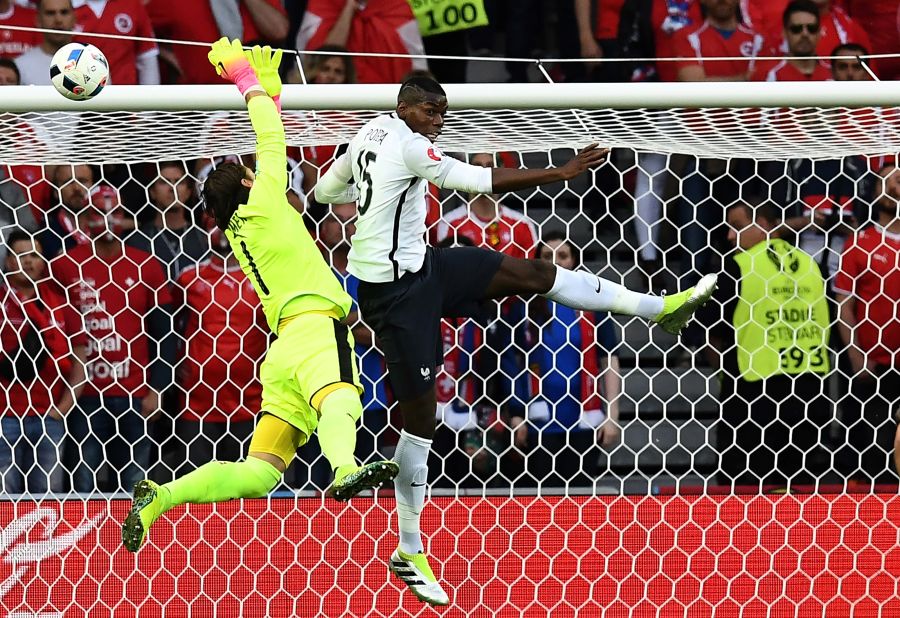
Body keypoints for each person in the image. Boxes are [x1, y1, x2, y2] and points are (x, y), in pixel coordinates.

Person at [315, 74, 718, 606]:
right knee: (420, 426)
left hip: (424, 267)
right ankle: (409, 549)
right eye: (431, 111)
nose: (438, 121)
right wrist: (561, 169)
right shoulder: (412, 147)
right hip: (394, 298)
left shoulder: (366, 136)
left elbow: (325, 191)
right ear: (405, 107)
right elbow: (479, 182)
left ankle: (661, 308)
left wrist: (368, 203)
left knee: (532, 274)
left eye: (443, 112)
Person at [121, 39, 398, 553]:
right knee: (342, 397)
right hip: (315, 328)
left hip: (281, 353)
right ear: (249, 180)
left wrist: (271, 93)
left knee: (259, 472)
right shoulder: (266, 200)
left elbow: (270, 139)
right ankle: (345, 469)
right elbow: (272, 141)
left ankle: (162, 495)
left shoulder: (236, 228)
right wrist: (248, 82)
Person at [50, 183, 174, 493]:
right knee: (84, 485)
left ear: (123, 217)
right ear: (85, 218)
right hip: (85, 395)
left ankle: (134, 541)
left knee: (134, 487)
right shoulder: (64, 265)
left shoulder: (146, 264)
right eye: (98, 214)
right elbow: (52, 331)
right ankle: (84, 541)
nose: (106, 220)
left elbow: (165, 331)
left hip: (135, 392)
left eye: (114, 213)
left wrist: (157, 388)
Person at [703, 202, 832, 487]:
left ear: (763, 224)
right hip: (808, 393)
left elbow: (713, 332)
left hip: (750, 396)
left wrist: (724, 374)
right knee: (797, 492)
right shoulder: (813, 265)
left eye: (736, 227)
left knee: (744, 493)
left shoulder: (738, 266)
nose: (729, 236)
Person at [511, 231, 622, 488]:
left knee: (579, 501)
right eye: (548, 256)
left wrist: (612, 416)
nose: (556, 261)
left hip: (584, 422)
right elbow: (512, 363)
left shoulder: (593, 303)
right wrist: (515, 414)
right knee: (542, 502)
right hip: (538, 424)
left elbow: (610, 360)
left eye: (562, 255)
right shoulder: (524, 307)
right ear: (537, 260)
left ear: (574, 261)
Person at [169, 217, 266, 477]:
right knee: (195, 482)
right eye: (216, 225)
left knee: (246, 484)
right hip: (197, 401)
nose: (222, 233)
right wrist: (177, 364)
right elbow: (169, 326)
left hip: (251, 399)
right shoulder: (188, 277)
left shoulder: (262, 277)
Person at [0, 230, 86, 494]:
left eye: (35, 255)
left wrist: (61, 410)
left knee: (48, 498)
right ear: (8, 261)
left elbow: (81, 361)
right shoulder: (2, 303)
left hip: (48, 417)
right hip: (4, 418)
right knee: (4, 499)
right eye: (21, 255)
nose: (29, 262)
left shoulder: (60, 304)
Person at [834, 164, 900, 484]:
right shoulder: (861, 243)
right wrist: (856, 355)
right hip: (872, 364)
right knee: (866, 449)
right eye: (889, 175)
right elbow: (844, 304)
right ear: (876, 191)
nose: (897, 177)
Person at [146, 0, 288, 85]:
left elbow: (279, 31)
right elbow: (135, 27)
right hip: (202, 102)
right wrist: (166, 54)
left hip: (255, 95)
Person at [131, 160, 207, 279]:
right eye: (164, 182)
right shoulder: (138, 241)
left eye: (178, 182)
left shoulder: (204, 239)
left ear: (188, 192)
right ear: (152, 192)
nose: (172, 187)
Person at [72, 0, 160, 85]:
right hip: (82, 93)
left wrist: (151, 96)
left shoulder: (132, 4)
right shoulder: (64, 8)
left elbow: (147, 56)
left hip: (125, 94)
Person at [752, 1, 831, 82]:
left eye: (811, 28)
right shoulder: (767, 76)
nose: (805, 34)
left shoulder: (833, 74)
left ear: (819, 33)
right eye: (796, 29)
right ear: (784, 33)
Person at [14, 0, 76, 86]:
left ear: (74, 18)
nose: (58, 20)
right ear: (38, 20)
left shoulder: (91, 64)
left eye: (64, 12)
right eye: (50, 13)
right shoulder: (21, 66)